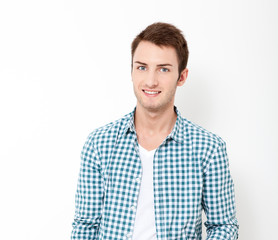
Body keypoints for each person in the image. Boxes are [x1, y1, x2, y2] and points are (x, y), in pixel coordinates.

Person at [71, 22, 239, 240]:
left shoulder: (209, 148)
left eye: (163, 69)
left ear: (182, 77)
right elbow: (85, 225)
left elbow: (224, 226)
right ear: (131, 71)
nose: (151, 81)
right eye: (142, 67)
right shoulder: (99, 143)